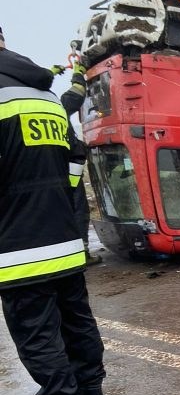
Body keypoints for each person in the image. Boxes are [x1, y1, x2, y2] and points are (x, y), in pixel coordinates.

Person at [0, 26, 111, 395]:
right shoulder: (44, 98)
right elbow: (74, 155)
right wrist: (62, 201)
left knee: (38, 335)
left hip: (16, 250)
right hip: (65, 244)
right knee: (77, 324)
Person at [62, 63, 100, 264]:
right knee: (78, 209)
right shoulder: (56, 105)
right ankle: (81, 253)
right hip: (70, 167)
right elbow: (76, 95)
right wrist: (78, 74)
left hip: (54, 168)